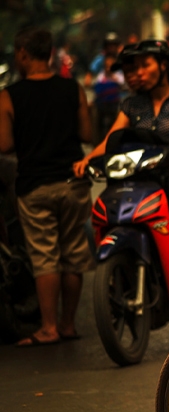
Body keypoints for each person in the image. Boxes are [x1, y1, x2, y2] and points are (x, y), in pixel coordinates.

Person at [72, 40, 169, 302]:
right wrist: (87, 159)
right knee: (93, 223)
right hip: (139, 179)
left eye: (146, 65)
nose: (139, 73)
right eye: (135, 68)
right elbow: (111, 138)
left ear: (164, 65)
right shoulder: (132, 106)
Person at [0, 27, 93, 346]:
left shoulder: (9, 95)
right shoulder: (73, 89)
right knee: (73, 254)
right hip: (73, 182)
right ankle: (67, 325)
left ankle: (49, 327)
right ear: (50, 53)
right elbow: (86, 134)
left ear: (24, 54)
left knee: (45, 257)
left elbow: (4, 144)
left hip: (34, 185)